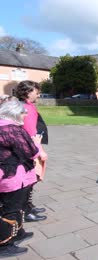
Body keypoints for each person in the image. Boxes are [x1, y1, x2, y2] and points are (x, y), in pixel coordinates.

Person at [0, 99, 45, 257]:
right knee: (11, 210)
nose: (25, 115)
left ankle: (18, 233)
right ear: (14, 113)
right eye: (22, 112)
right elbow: (31, 151)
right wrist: (37, 143)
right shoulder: (12, 129)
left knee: (15, 207)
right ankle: (5, 245)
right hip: (12, 177)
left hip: (5, 175)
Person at [14, 81, 48, 222]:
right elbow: (30, 132)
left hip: (30, 146)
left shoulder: (28, 105)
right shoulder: (25, 107)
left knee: (31, 179)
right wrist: (39, 150)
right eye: (36, 91)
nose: (38, 94)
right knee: (28, 180)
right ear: (28, 92)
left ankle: (28, 205)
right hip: (29, 148)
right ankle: (25, 211)